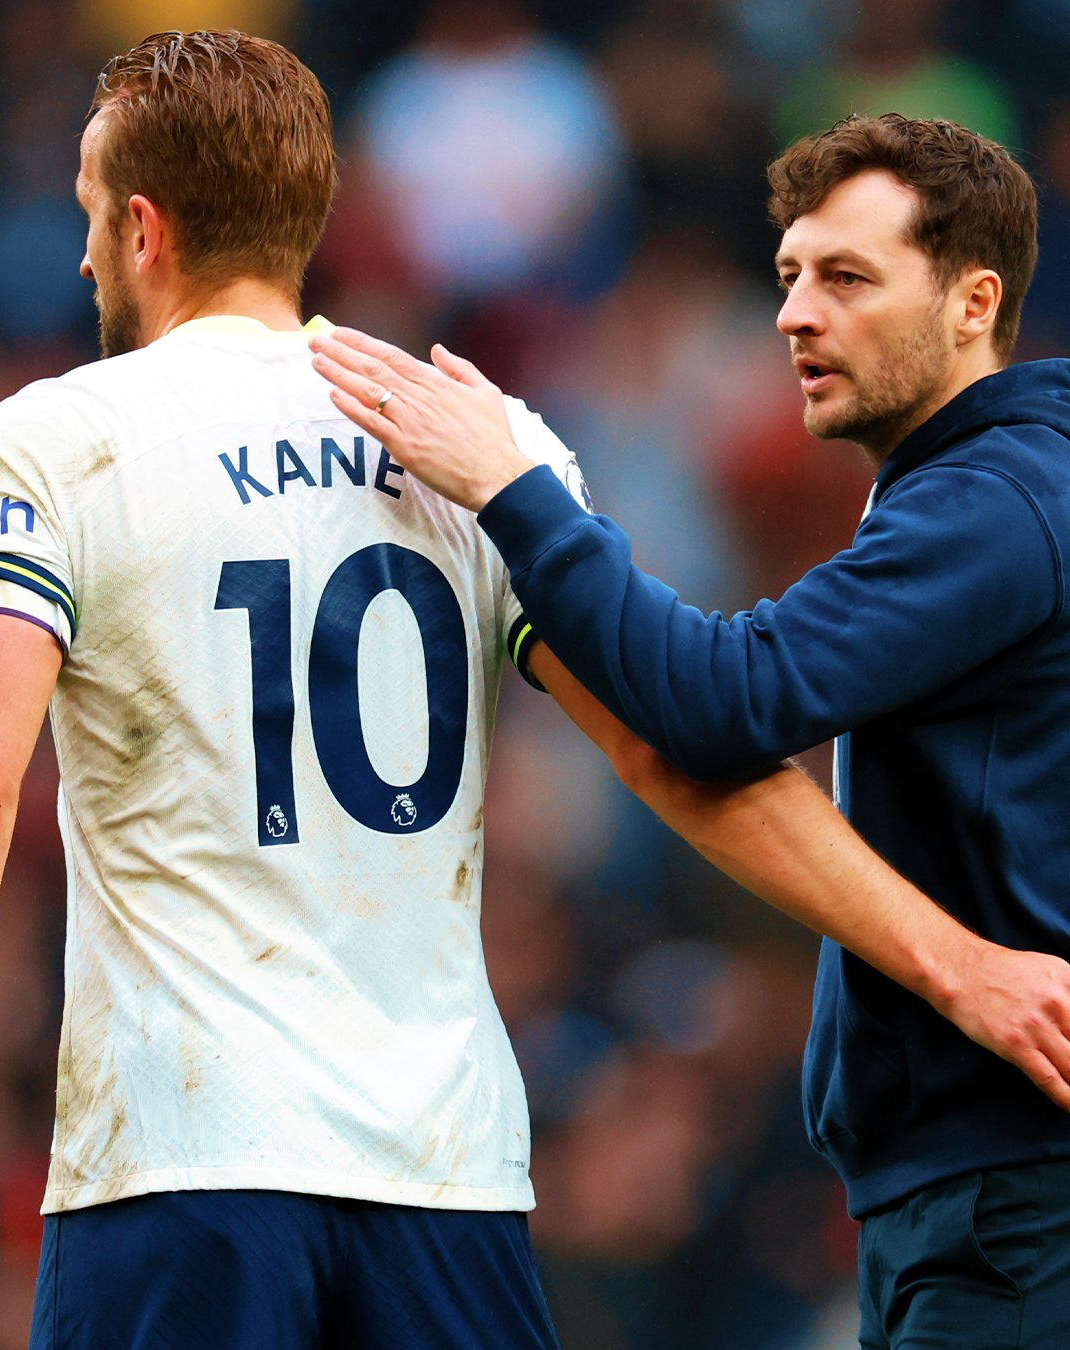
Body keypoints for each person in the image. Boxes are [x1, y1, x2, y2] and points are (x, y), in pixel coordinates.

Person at [311, 113, 1070, 1345]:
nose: (796, 315)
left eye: (848, 279)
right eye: (789, 277)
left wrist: (515, 491)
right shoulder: (1000, 484)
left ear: (974, 301)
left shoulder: (998, 497)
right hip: (973, 1188)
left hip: (1017, 1192)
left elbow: (723, 700)